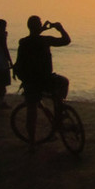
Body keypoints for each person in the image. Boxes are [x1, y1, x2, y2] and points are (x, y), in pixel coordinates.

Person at [13, 16, 71, 146]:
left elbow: (19, 62)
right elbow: (66, 40)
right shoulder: (44, 40)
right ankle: (59, 111)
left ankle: (32, 144)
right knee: (64, 82)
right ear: (38, 27)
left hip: (30, 82)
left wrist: (41, 29)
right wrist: (60, 28)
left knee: (31, 112)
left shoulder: (23, 42)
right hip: (45, 80)